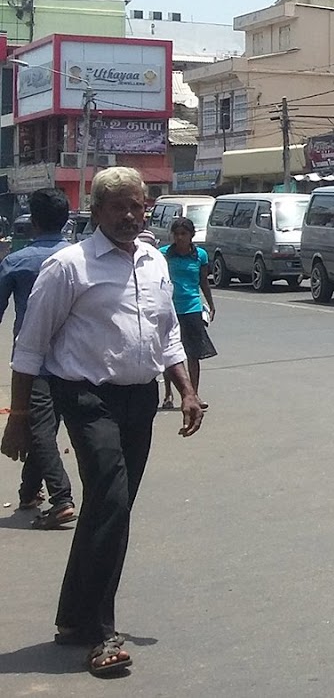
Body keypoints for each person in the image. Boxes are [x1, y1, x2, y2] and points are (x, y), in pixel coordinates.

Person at [1, 167, 203, 678]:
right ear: (95, 210)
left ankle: (73, 617)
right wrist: (20, 417)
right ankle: (99, 632)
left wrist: (186, 391)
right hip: (86, 397)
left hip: (139, 399)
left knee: (111, 509)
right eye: (119, 207)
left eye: (138, 206)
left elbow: (166, 335)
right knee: (110, 499)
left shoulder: (154, 260)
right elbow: (30, 346)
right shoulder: (68, 266)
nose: (131, 216)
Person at [2, 188, 76, 530]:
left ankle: (61, 498)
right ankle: (29, 492)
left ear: (32, 221)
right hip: (76, 361)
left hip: (35, 363)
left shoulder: (16, 261)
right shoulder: (80, 257)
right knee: (45, 426)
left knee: (41, 431)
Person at [159, 216, 216, 411]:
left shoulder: (200, 255)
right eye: (176, 234)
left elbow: (203, 281)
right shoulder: (164, 254)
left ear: (191, 235)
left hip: (192, 307)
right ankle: (168, 394)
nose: (180, 238)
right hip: (170, 308)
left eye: (184, 234)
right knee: (171, 355)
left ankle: (194, 394)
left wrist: (210, 303)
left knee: (193, 354)